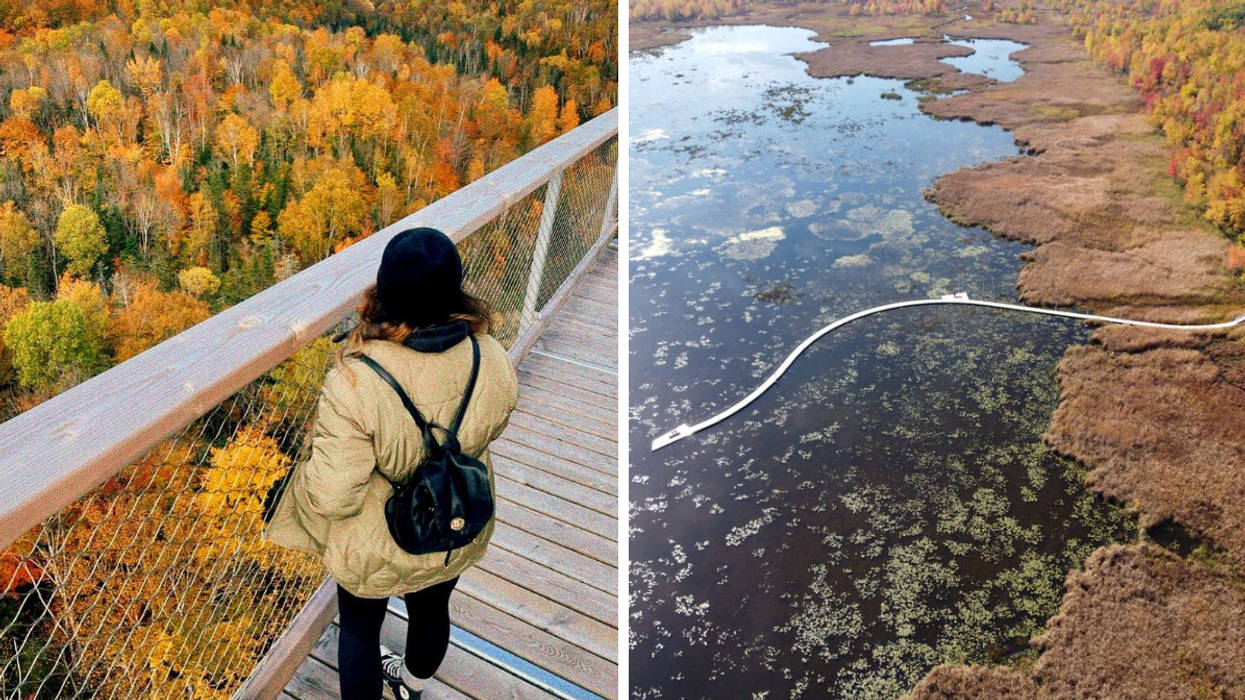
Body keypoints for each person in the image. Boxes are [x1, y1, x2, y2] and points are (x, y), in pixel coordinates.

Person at [266, 227, 519, 700]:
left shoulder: (357, 379)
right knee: (432, 606)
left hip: (377, 542)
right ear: (455, 290)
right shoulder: (491, 356)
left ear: (383, 293)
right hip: (454, 519)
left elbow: (334, 495)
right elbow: (491, 428)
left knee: (360, 629)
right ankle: (411, 686)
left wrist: (287, 489)